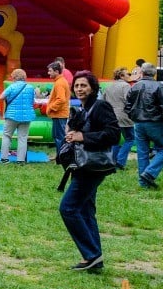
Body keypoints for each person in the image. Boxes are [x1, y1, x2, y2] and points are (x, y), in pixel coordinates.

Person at [60, 70, 119, 271]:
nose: (79, 89)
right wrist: (73, 134)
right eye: (76, 86)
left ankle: (91, 254)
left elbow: (113, 134)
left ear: (93, 87)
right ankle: (95, 259)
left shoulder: (101, 106)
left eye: (83, 85)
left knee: (68, 208)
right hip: (84, 165)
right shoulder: (85, 108)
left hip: (92, 167)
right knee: (85, 210)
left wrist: (82, 137)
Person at [125, 62, 163, 189]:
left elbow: (127, 106)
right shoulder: (159, 87)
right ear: (154, 73)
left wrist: (134, 117)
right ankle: (149, 173)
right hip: (155, 122)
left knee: (142, 153)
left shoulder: (135, 86)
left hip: (139, 123)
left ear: (141, 72)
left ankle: (143, 182)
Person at [0, 68, 36, 164]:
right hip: (27, 116)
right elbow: (33, 102)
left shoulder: (11, 87)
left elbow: (1, 97)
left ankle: (4, 158)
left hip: (12, 115)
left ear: (14, 77)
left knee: (7, 136)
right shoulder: (31, 87)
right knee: (23, 138)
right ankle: (20, 160)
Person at [102, 67, 134, 169]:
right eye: (127, 74)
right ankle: (120, 161)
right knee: (130, 138)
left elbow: (103, 101)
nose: (129, 75)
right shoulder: (126, 86)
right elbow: (128, 100)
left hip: (111, 116)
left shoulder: (108, 86)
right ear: (121, 76)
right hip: (123, 115)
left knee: (115, 140)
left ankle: (112, 161)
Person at [45, 61, 71, 161]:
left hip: (60, 114)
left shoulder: (59, 83)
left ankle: (62, 158)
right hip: (59, 114)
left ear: (56, 71)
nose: (48, 73)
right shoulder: (59, 81)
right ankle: (59, 155)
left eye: (50, 71)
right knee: (57, 136)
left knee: (60, 137)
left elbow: (61, 99)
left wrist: (51, 107)